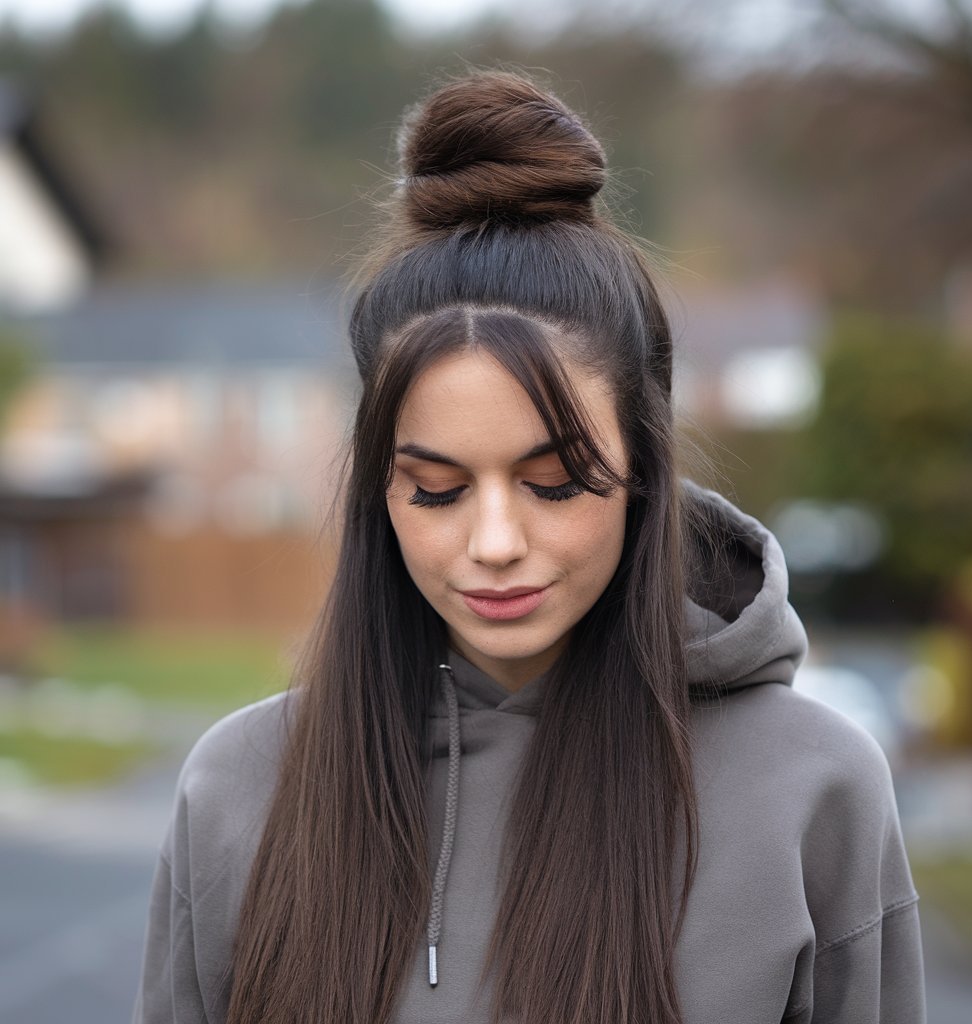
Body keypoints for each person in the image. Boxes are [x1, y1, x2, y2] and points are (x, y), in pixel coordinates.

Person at [132, 70, 926, 1024]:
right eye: (437, 490)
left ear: (644, 468)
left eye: (555, 483)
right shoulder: (239, 790)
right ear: (379, 490)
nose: (496, 542)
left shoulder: (813, 793)